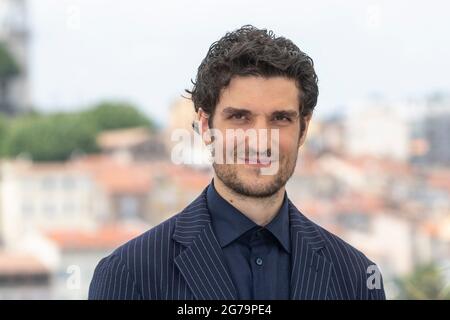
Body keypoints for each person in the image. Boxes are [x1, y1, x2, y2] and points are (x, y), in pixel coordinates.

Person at [89, 25, 386, 300]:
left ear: (303, 129)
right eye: (239, 117)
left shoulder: (357, 279)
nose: (259, 141)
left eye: (280, 118)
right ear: (205, 127)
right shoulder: (130, 274)